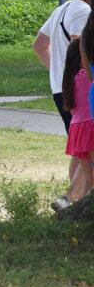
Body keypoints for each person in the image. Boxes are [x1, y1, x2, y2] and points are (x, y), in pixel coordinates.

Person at [33, 0, 93, 134]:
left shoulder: (62, 8)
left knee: (79, 144)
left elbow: (39, 44)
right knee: (87, 144)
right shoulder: (83, 11)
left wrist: (58, 71)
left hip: (61, 87)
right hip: (80, 88)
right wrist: (87, 75)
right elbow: (81, 46)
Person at [53, 38, 94, 211]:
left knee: (89, 180)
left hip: (77, 131)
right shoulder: (87, 77)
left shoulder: (70, 80)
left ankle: (77, 210)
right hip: (90, 127)